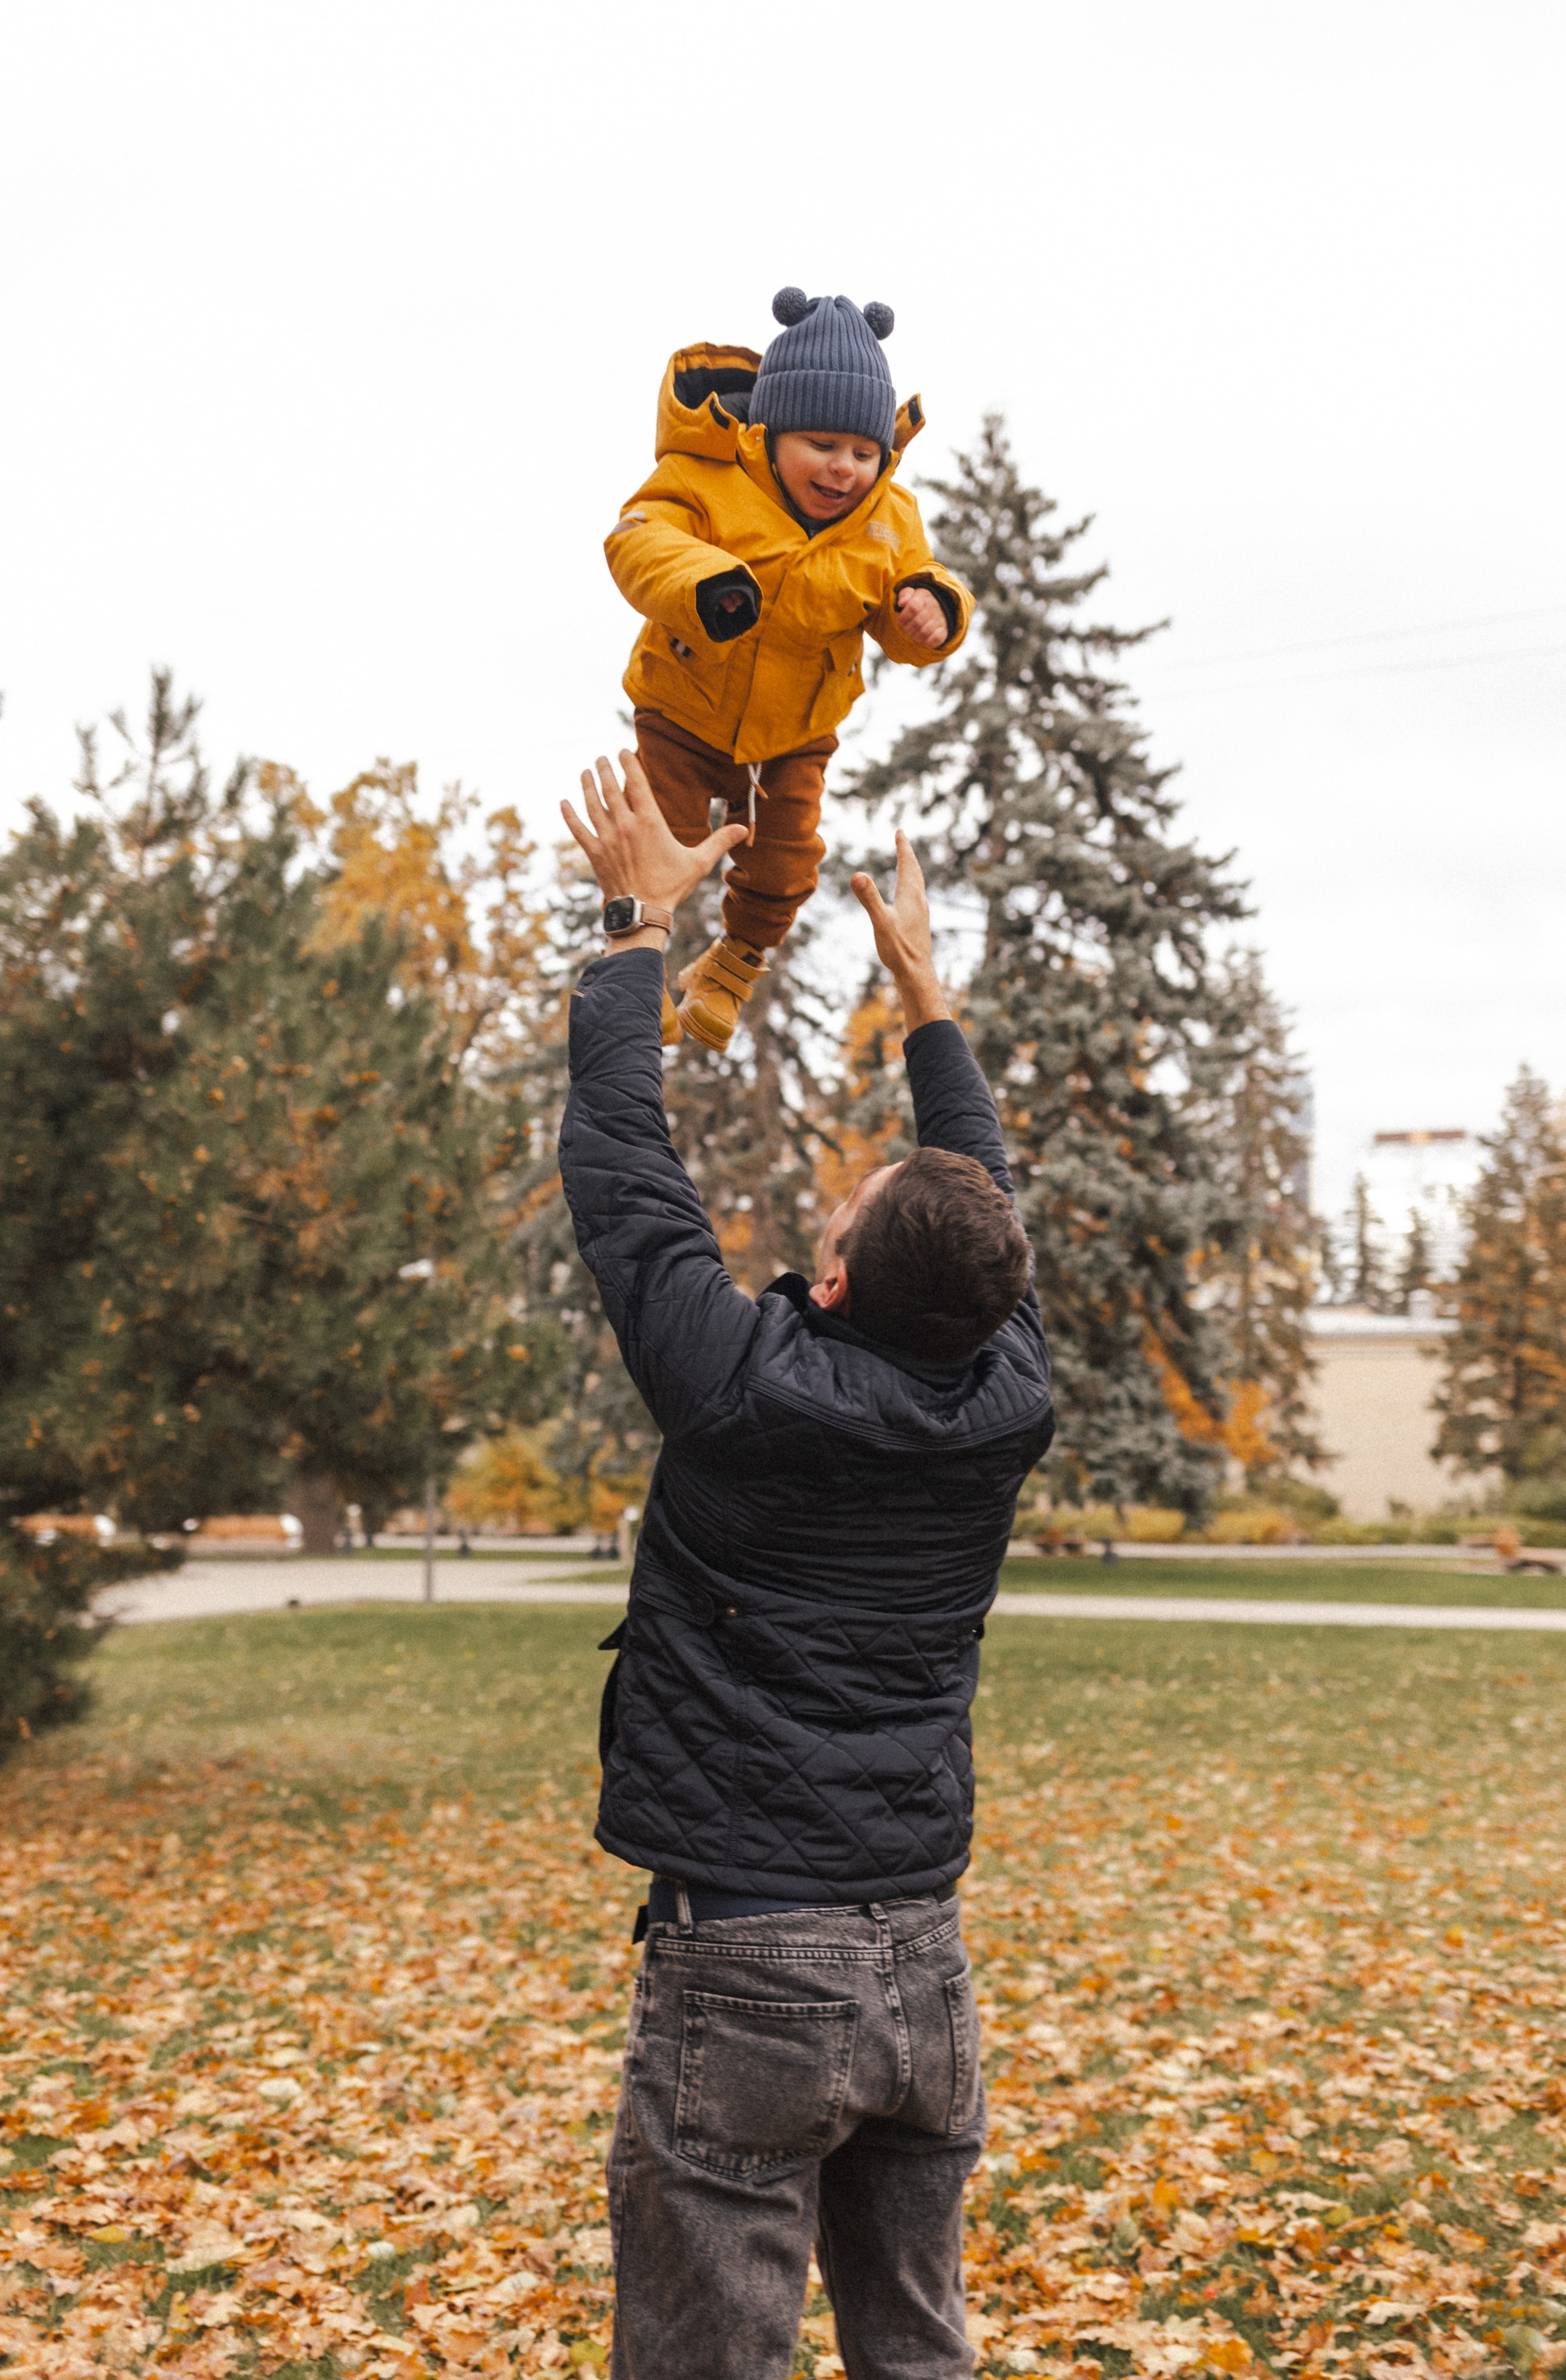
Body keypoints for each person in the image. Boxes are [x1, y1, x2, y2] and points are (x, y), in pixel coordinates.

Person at [557, 749, 1055, 2380]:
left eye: (846, 1210)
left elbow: (631, 1179)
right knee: (922, 2356)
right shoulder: (1006, 1398)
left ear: (832, 1281)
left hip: (753, 1955)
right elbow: (981, 1217)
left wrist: (639, 923)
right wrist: (930, 1009)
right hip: (923, 1957)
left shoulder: (736, 1385)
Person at [604, 287, 973, 1053]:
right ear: (771, 433)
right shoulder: (704, 475)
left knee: (786, 860)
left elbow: (916, 591)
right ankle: (637, 961)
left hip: (797, 727)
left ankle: (732, 966)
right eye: (823, 446)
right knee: (661, 841)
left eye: (864, 454)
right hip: (683, 703)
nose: (843, 470)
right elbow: (638, 540)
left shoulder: (889, 520)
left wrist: (933, 609)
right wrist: (705, 583)